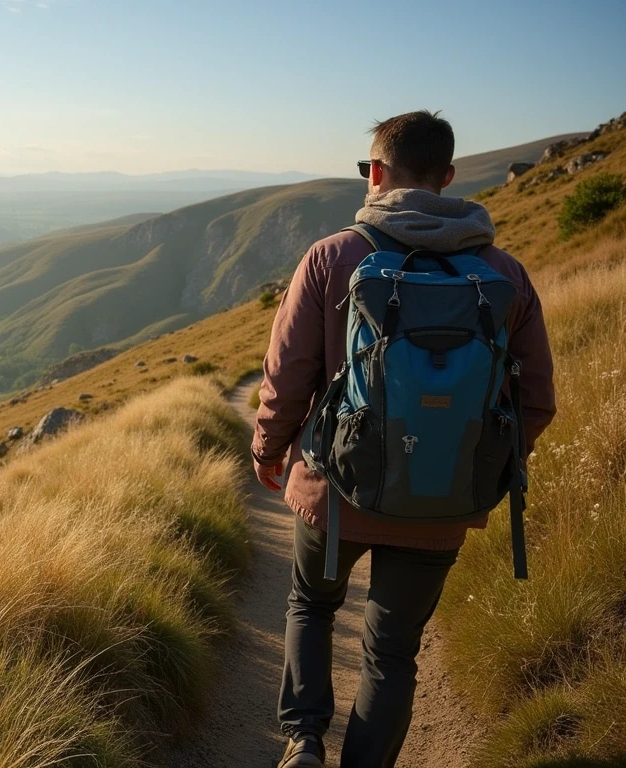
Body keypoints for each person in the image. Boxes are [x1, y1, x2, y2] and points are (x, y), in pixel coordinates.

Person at [253, 110, 557, 768]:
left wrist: (268, 451)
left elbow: (286, 376)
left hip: (336, 488)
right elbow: (536, 400)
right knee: (392, 652)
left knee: (312, 605)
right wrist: (473, 462)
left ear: (377, 174)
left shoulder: (333, 257)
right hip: (442, 498)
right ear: (447, 177)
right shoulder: (503, 273)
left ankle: (304, 742)